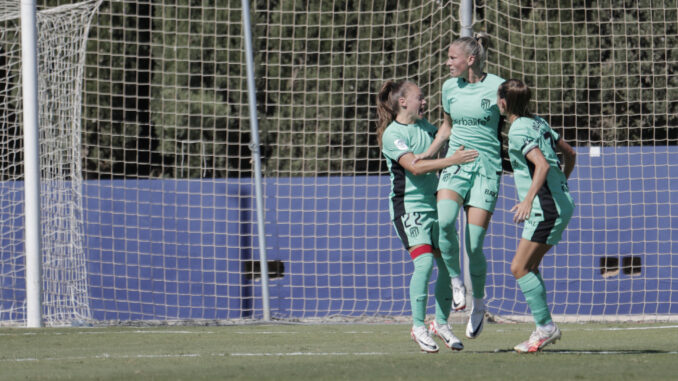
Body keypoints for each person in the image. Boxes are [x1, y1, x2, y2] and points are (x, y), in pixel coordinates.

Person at [376, 80, 478, 353]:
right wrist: (452, 161)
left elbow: (446, 130)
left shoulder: (426, 128)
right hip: (409, 209)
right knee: (423, 265)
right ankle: (418, 326)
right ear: (403, 102)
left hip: (436, 206)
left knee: (446, 266)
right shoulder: (392, 134)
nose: (425, 102)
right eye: (420, 97)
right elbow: (415, 167)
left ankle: (441, 324)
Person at [415, 33, 505, 339]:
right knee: (444, 222)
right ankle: (456, 280)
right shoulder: (449, 88)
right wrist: (427, 155)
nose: (447, 63)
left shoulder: (497, 86)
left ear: (470, 59)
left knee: (475, 244)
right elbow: (447, 126)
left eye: (452, 58)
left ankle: (478, 304)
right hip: (456, 165)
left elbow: (515, 118)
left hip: (486, 170)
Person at [497, 78, 576, 353]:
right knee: (530, 267)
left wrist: (528, 200)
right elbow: (570, 153)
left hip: (546, 208)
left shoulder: (518, 129)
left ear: (503, 103)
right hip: (558, 202)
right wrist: (562, 182)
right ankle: (543, 326)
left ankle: (545, 327)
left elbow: (541, 165)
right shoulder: (539, 122)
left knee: (519, 267)